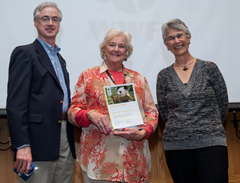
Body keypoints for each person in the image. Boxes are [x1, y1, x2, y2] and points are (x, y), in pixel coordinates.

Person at [68, 28, 158, 183]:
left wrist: (144, 132)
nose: (116, 49)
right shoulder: (88, 76)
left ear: (127, 51)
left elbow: (152, 112)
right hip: (99, 164)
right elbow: (72, 112)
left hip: (135, 162)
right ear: (104, 48)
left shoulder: (138, 79)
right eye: (112, 45)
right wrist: (90, 114)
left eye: (121, 46)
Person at [6, 2, 76, 183]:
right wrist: (22, 145)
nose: (50, 23)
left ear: (60, 24)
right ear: (35, 22)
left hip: (64, 137)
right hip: (37, 140)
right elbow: (16, 104)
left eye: (55, 19)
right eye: (45, 19)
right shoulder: (25, 53)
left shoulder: (61, 59)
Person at [156, 18, 229, 183]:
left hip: (211, 143)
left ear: (188, 37)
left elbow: (222, 104)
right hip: (177, 146)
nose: (177, 41)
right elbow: (164, 111)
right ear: (166, 45)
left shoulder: (209, 68)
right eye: (171, 38)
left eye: (180, 35)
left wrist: (206, 128)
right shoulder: (164, 76)